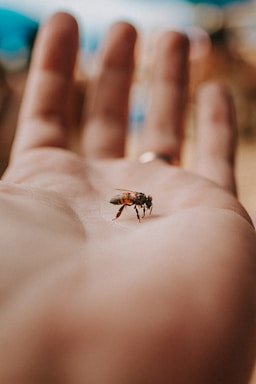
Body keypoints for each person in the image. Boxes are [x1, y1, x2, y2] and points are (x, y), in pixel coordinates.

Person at [0, 11, 255, 384]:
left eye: (145, 205)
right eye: (145, 205)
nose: (145, 206)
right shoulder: (133, 201)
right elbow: (128, 201)